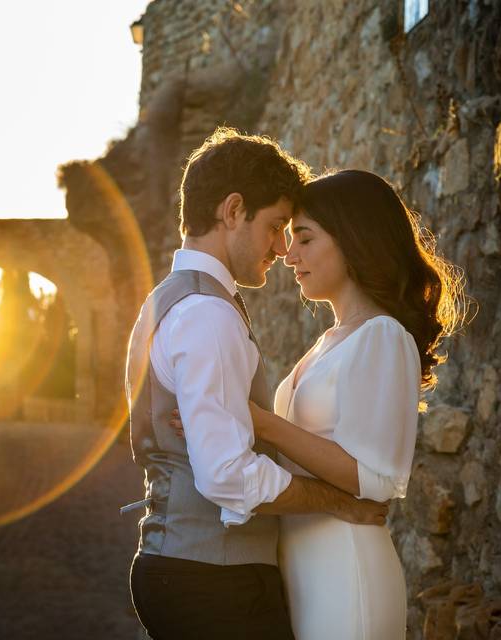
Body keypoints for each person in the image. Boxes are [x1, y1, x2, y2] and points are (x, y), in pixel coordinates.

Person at [174, 169, 467, 638]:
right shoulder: (329, 342)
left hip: (346, 570)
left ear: (353, 240)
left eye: (304, 239)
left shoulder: (383, 336)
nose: (288, 255)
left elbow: (374, 479)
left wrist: (259, 422)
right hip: (302, 570)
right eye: (288, 238)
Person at [124, 130, 389, 640]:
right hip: (214, 583)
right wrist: (335, 500)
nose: (281, 247)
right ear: (233, 210)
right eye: (275, 226)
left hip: (182, 567)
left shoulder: (166, 301)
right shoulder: (206, 315)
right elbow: (226, 475)